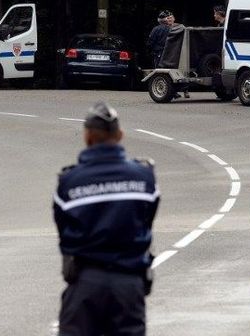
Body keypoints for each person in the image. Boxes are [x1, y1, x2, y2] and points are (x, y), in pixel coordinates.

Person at [53, 102, 160, 336]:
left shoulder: (69, 182)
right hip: (128, 286)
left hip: (84, 286)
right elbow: (147, 221)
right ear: (120, 136)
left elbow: (64, 235)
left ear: (87, 137)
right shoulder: (144, 178)